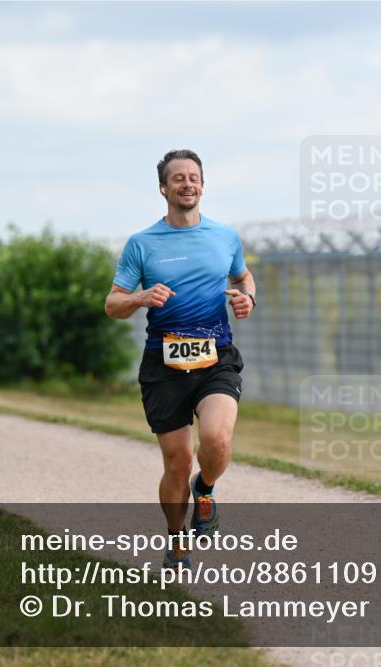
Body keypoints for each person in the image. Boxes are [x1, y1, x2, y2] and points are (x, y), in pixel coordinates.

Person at [105, 149, 256, 569]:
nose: (187, 184)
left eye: (194, 177)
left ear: (202, 185)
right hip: (164, 363)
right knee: (176, 464)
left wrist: (248, 298)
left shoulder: (225, 236)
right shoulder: (142, 243)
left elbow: (242, 276)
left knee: (217, 440)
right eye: (178, 179)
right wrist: (139, 297)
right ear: (163, 188)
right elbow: (112, 304)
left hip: (216, 357)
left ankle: (204, 489)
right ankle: (176, 541)